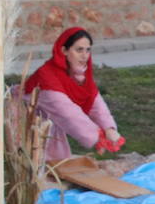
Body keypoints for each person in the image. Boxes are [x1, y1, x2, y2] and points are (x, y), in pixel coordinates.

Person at [23, 27, 123, 161]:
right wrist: (98, 136)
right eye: (79, 50)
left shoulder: (80, 74)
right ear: (64, 50)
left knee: (55, 165)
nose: (85, 55)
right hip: (26, 120)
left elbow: (94, 101)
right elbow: (66, 111)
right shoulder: (46, 76)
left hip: (47, 124)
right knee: (38, 163)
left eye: (88, 50)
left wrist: (109, 129)